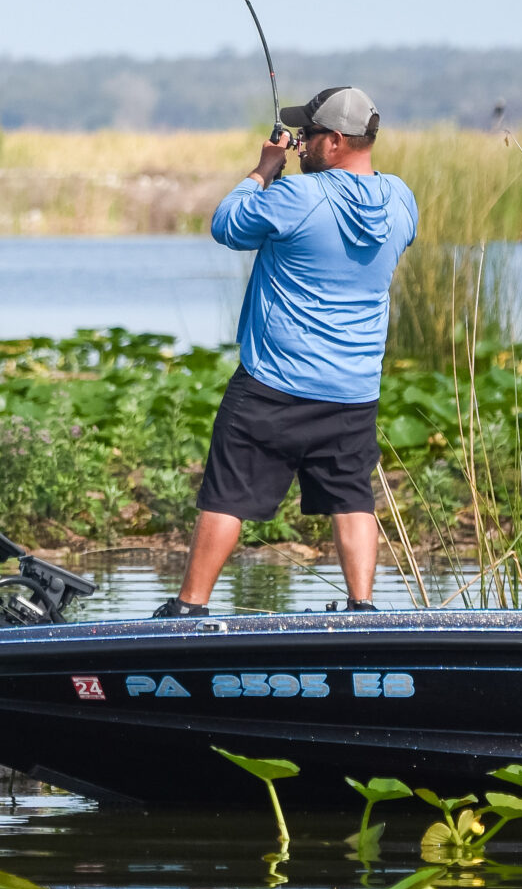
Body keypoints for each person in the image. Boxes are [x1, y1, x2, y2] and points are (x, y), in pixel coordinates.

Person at [155, 86, 418, 618]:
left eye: (310, 136)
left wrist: (265, 168)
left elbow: (227, 226)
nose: (301, 144)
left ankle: (189, 608)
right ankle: (362, 608)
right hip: (352, 389)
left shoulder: (297, 197)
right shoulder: (400, 198)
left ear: (337, 141)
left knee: (227, 494)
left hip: (274, 383)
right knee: (351, 497)